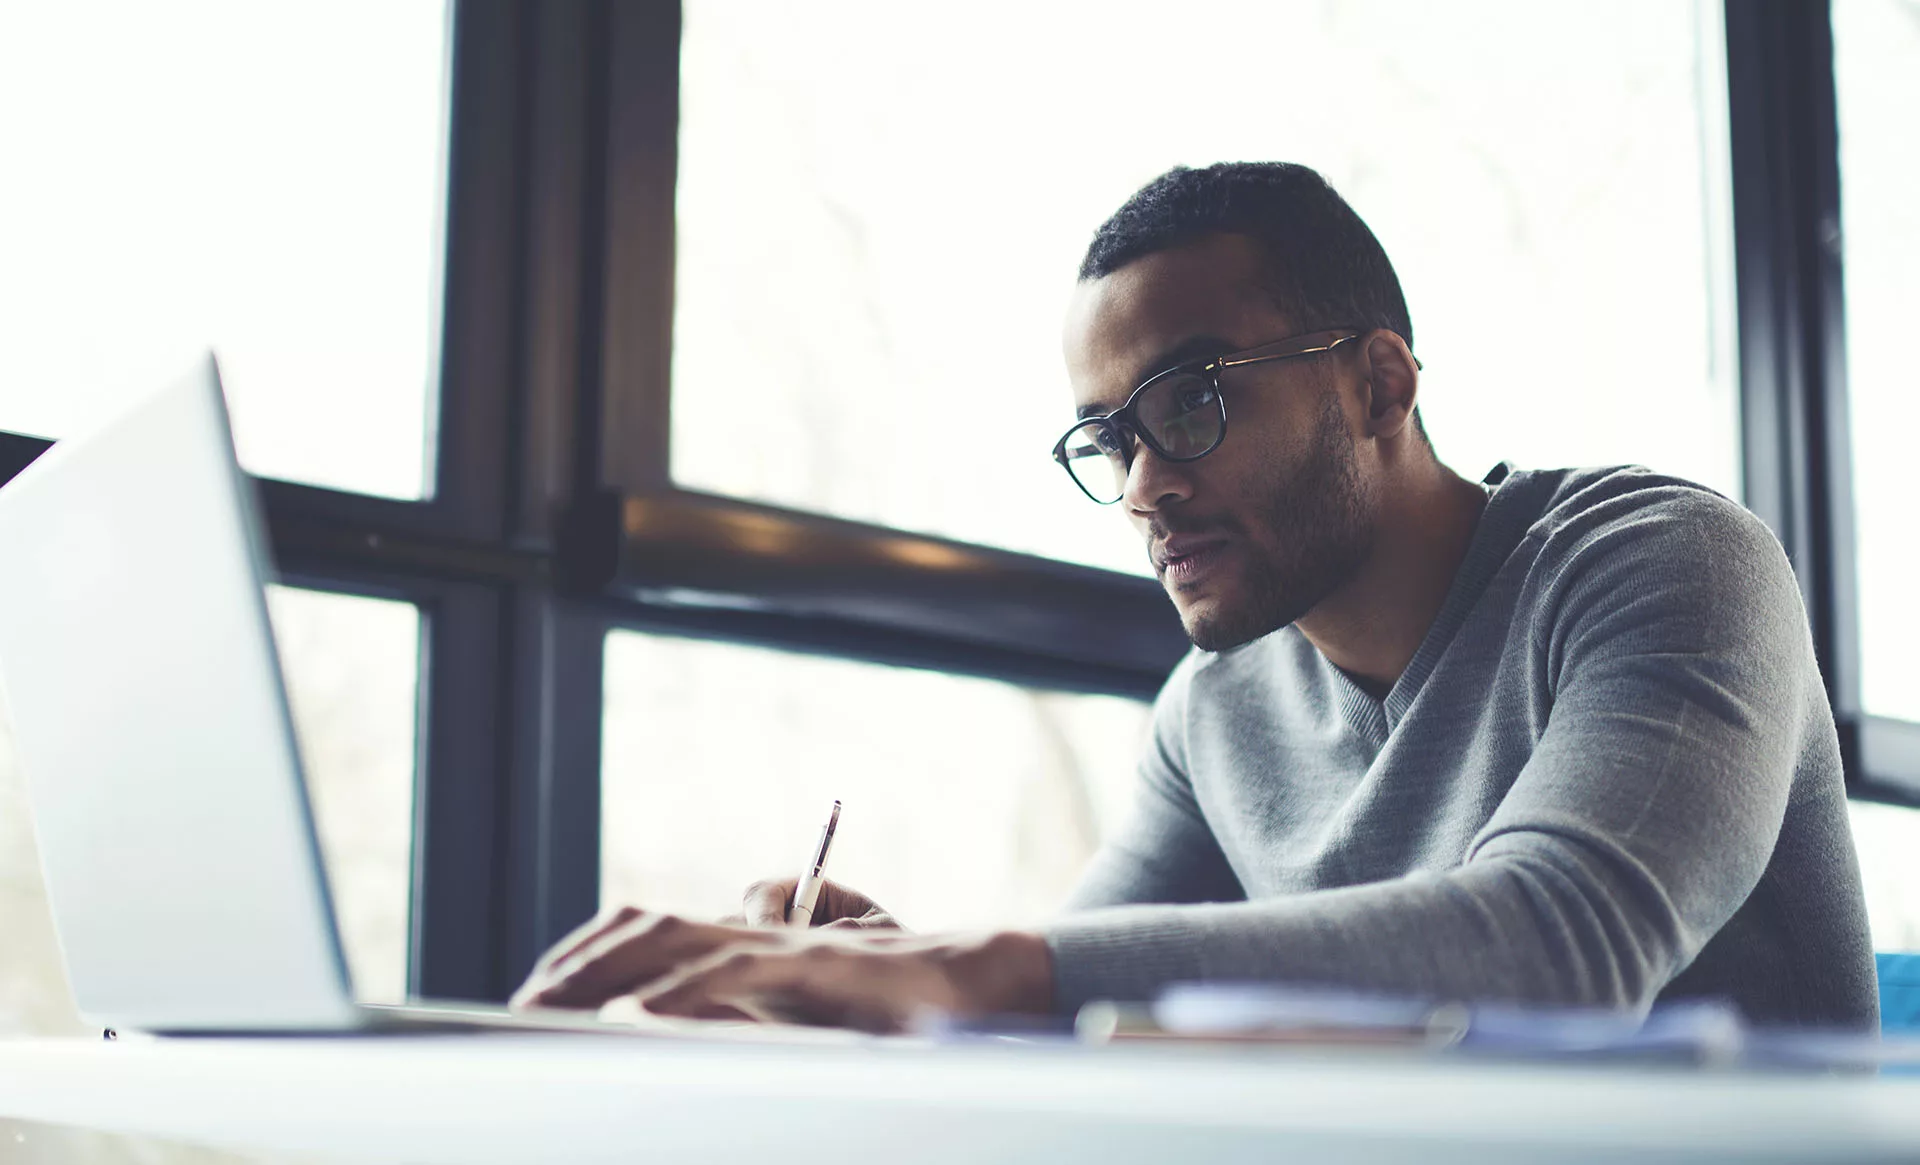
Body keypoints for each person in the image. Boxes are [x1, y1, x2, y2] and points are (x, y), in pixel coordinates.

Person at [511, 162, 1879, 1033]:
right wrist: (890, 980)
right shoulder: (1213, 712)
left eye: (1197, 401)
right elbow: (1092, 983)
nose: (1144, 487)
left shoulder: (1663, 563)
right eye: (1111, 438)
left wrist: (981, 969)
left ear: (1381, 384)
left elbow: (1568, 942)